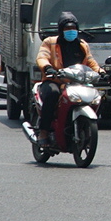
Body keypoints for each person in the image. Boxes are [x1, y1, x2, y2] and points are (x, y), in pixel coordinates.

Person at [33, 12, 101, 147]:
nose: (71, 32)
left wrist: (101, 72)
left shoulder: (82, 45)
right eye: (67, 29)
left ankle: (84, 127)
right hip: (54, 80)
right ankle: (44, 131)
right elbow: (42, 57)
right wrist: (47, 68)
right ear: (61, 30)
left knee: (96, 96)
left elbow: (90, 61)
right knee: (52, 94)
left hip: (76, 82)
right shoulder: (50, 42)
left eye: (73, 29)